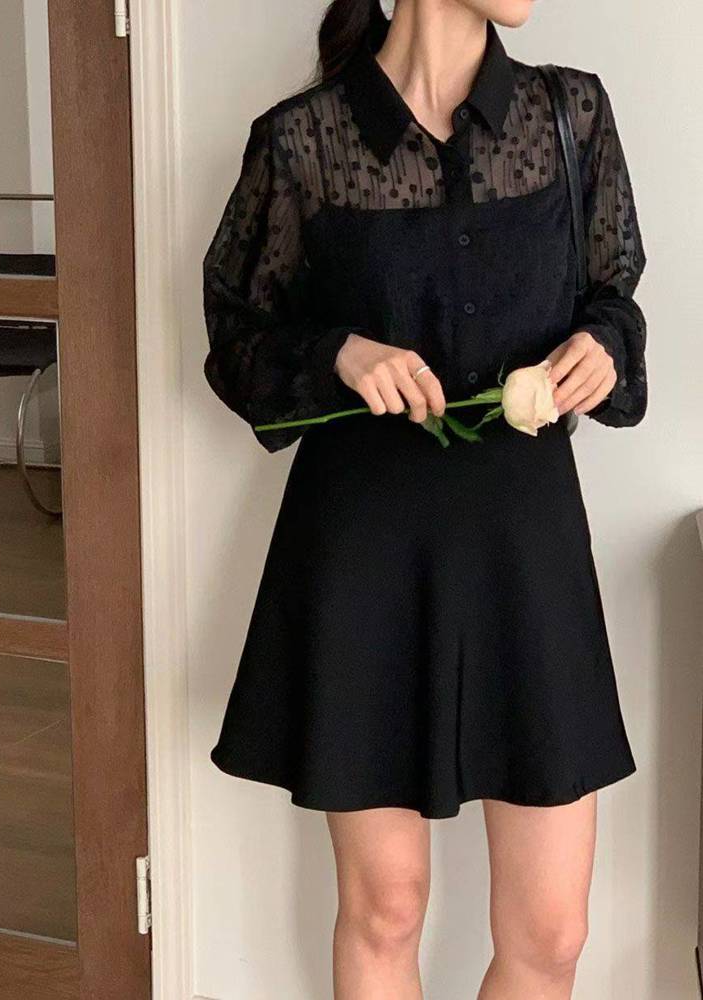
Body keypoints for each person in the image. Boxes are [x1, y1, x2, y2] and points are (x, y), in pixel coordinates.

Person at [201, 0, 647, 996]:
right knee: (385, 909)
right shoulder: (302, 139)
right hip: (365, 549)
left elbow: (613, 293)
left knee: (551, 931)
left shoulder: (569, 114)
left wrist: (603, 346)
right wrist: (338, 352)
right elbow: (235, 337)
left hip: (526, 546)